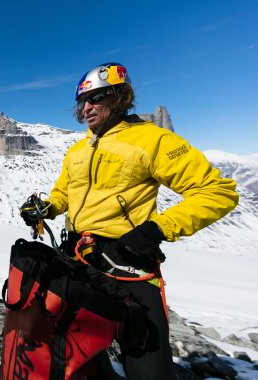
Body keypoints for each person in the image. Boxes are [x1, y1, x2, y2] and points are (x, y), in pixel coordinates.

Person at [22, 62, 238, 379]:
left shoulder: (152, 140)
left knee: (146, 360)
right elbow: (63, 195)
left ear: (119, 97)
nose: (87, 108)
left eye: (95, 98)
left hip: (129, 261)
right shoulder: (78, 151)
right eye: (82, 102)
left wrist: (157, 229)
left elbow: (217, 191)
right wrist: (45, 208)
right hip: (80, 258)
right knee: (75, 355)